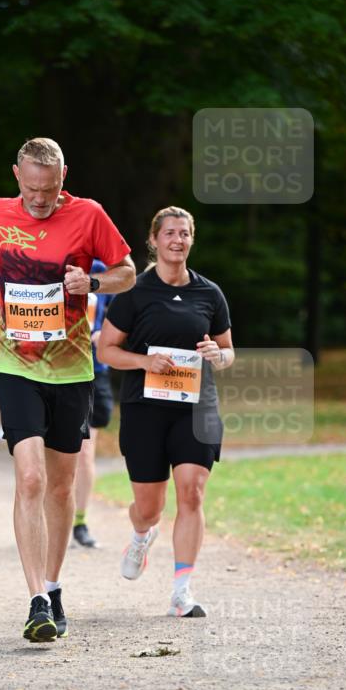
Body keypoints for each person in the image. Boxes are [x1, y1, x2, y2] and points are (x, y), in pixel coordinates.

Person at [0, 137, 135, 641]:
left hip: (71, 368)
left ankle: (53, 586)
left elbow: (127, 272)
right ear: (17, 176)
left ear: (63, 177)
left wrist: (93, 284)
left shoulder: (89, 215)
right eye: (31, 189)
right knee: (29, 478)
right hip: (14, 362)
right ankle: (35, 601)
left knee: (60, 487)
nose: (38, 199)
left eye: (48, 190)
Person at [98, 206, 234, 617]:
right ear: (154, 240)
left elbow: (228, 351)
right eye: (170, 233)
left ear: (192, 240)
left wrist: (217, 354)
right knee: (149, 508)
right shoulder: (134, 291)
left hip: (195, 407)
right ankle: (142, 535)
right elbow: (106, 351)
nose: (178, 240)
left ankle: (181, 591)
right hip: (145, 409)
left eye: (184, 233)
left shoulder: (209, 293)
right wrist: (144, 362)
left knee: (191, 491)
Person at [72, 259, 115, 548]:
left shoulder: (100, 268)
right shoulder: (52, 259)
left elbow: (120, 313)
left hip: (93, 371)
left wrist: (106, 332)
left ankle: (79, 522)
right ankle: (49, 514)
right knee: (53, 453)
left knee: (85, 452)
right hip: (51, 369)